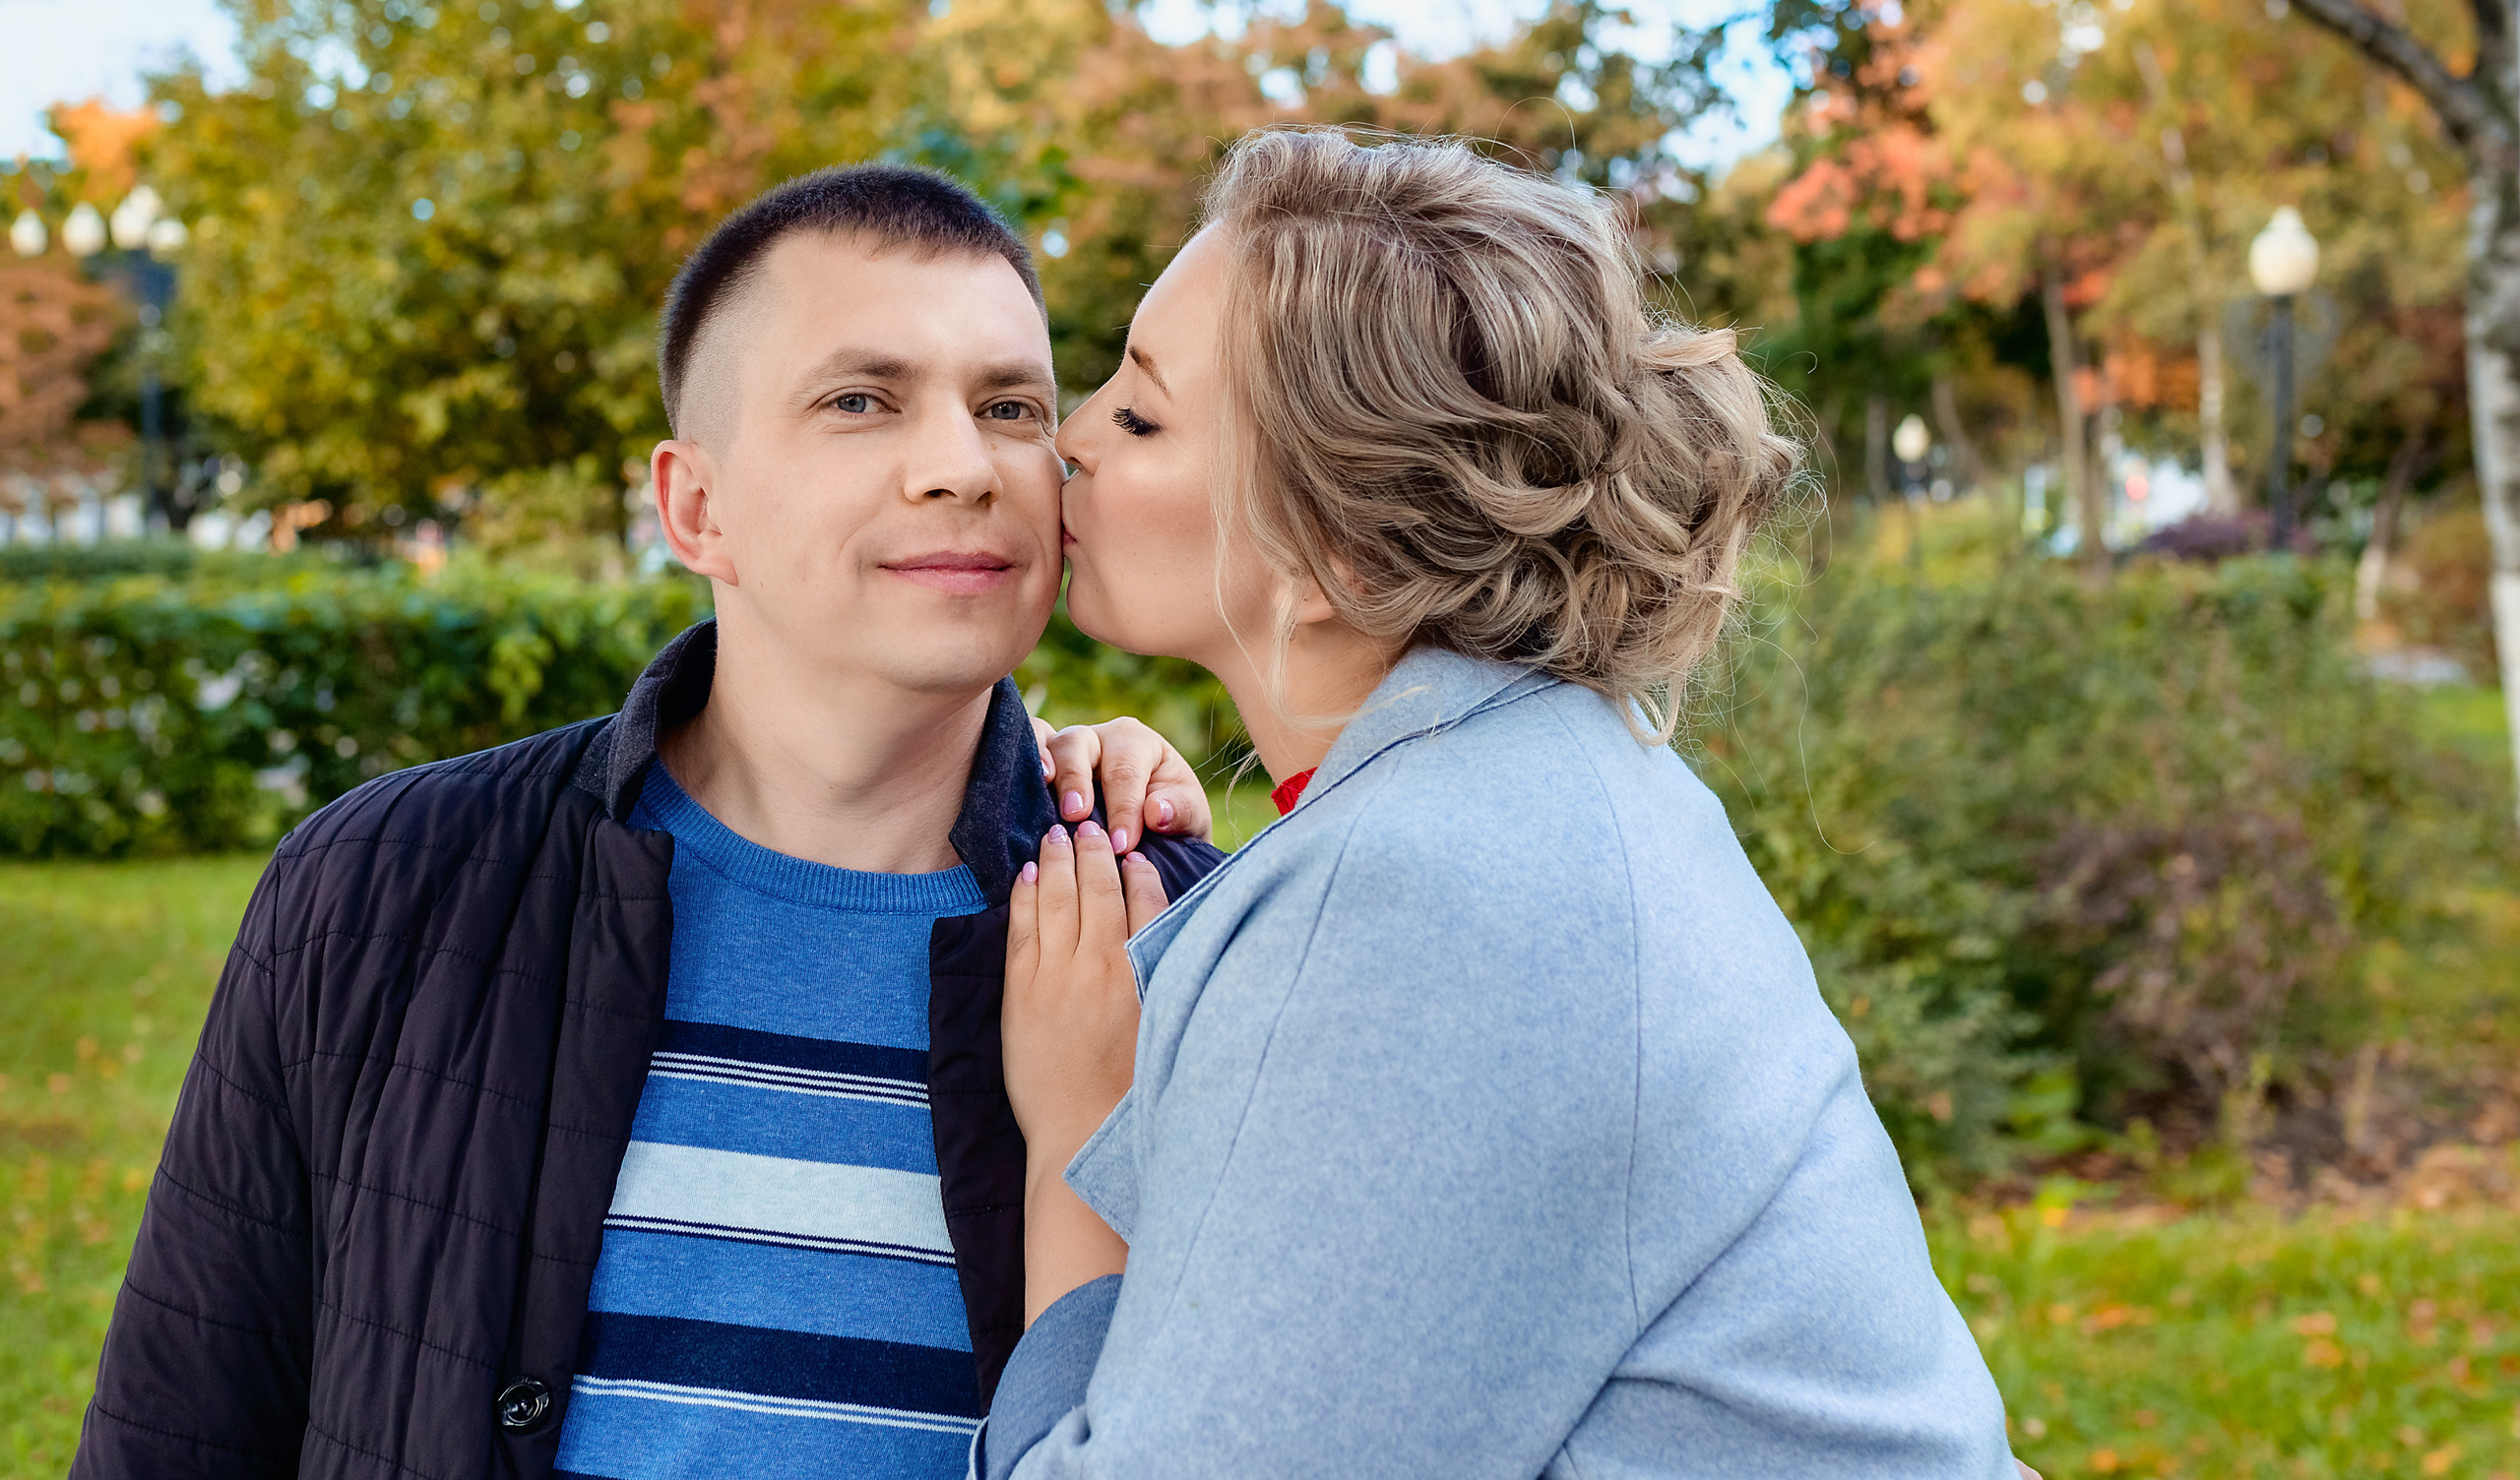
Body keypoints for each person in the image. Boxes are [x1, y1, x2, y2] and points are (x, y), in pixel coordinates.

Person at [70, 165, 1227, 1480]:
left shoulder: (1192, 941)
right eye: (862, 400)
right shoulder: (374, 890)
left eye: (1012, 405)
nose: (963, 466)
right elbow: (179, 1432)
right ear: (695, 508)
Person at [987, 128, 2024, 1477]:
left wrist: (1079, 1132)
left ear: (1336, 550)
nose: (1068, 438)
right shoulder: (1535, 787)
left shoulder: (1433, 892)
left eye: (1141, 414)